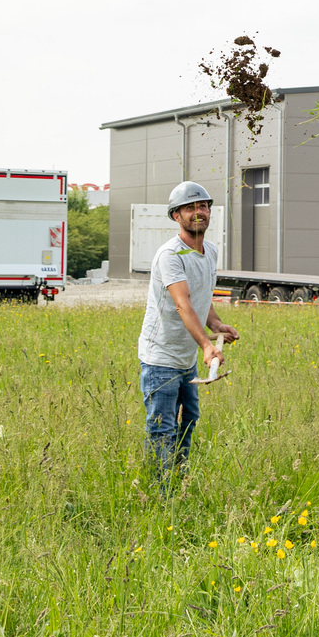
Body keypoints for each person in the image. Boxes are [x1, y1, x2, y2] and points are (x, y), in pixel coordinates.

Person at [137, 181, 239, 477]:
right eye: (190, 208)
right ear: (175, 216)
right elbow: (183, 304)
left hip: (185, 359)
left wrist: (216, 325)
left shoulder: (211, 252)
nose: (198, 212)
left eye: (203, 206)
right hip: (161, 358)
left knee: (189, 421)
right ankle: (160, 494)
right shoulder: (170, 255)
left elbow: (201, 296)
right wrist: (207, 346)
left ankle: (179, 481)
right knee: (162, 428)